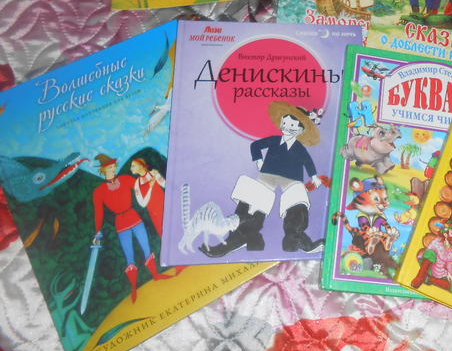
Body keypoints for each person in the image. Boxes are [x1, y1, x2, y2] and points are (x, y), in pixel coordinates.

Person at [201, 101, 325, 257]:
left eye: (292, 125)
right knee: (255, 197)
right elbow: (255, 146)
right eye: (285, 123)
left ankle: (295, 239)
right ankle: (242, 236)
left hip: (291, 178)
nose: (287, 127)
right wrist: (259, 160)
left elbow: (307, 161)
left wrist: (314, 176)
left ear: (301, 130)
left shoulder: (299, 147)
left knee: (296, 198)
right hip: (269, 174)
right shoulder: (274, 140)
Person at [91, 154, 171, 302]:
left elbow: (142, 183)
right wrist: (98, 232)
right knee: (129, 256)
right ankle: (134, 288)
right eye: (110, 168)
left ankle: (156, 275)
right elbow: (99, 213)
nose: (113, 170)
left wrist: (152, 175)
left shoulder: (126, 179)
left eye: (114, 167)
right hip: (121, 225)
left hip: (135, 218)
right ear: (103, 170)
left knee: (146, 248)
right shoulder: (99, 191)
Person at [411, 219, 452, 292]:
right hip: (431, 267)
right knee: (430, 253)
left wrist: (450, 274)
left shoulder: (449, 246)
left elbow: (448, 263)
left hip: (440, 272)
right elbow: (444, 257)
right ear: (445, 235)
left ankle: (429, 279)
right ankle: (419, 278)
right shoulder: (438, 242)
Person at [130, 158, 166, 236]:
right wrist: (150, 187)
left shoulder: (153, 173)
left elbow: (165, 185)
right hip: (155, 212)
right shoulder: (137, 184)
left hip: (165, 206)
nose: (131, 168)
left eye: (133, 166)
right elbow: (143, 204)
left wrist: (157, 175)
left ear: (141, 165)